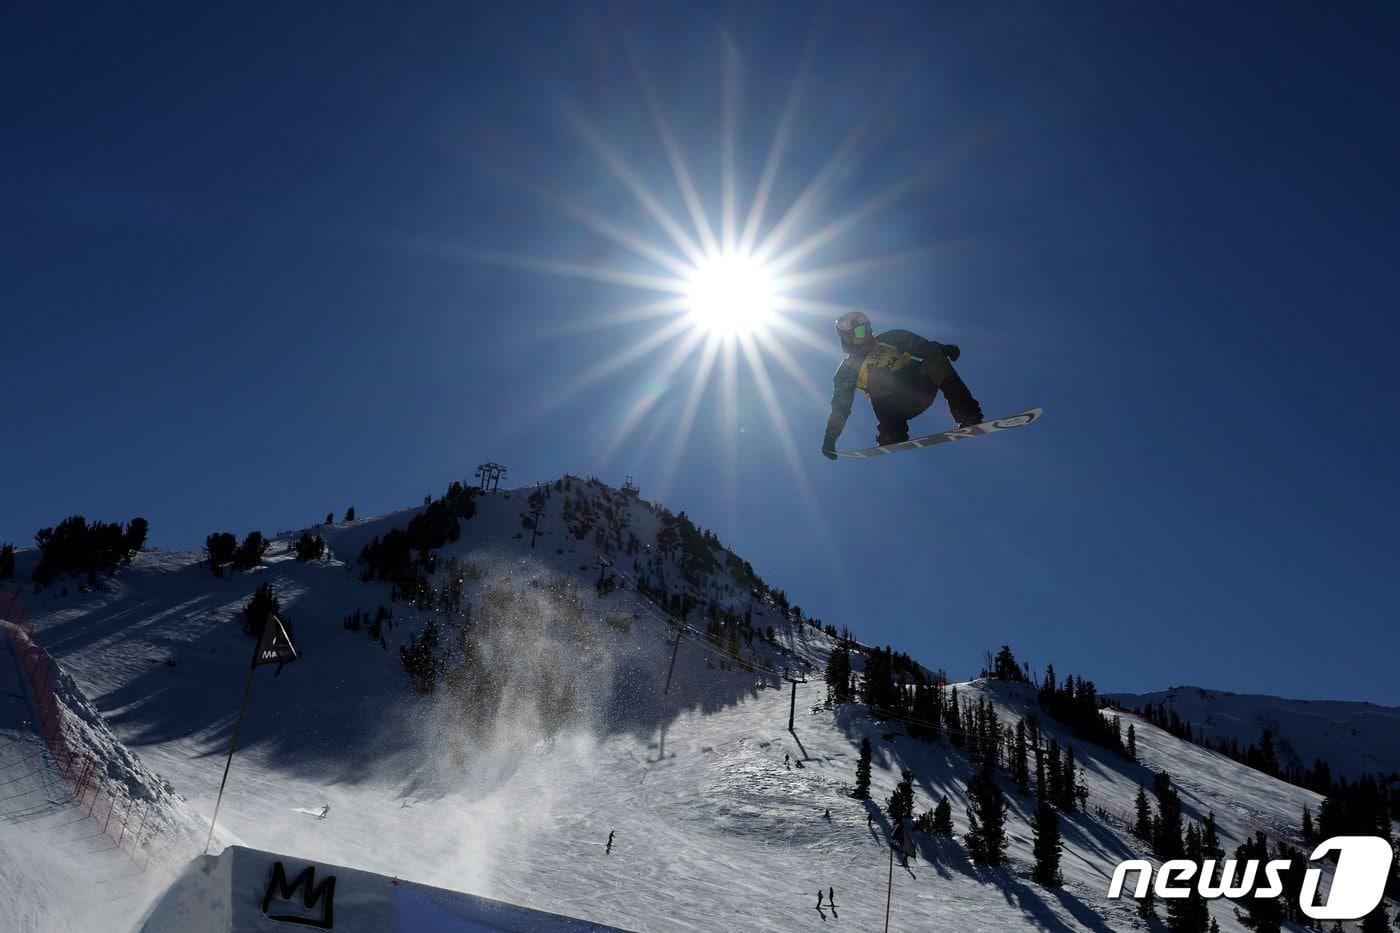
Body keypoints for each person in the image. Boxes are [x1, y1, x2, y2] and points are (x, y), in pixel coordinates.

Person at [821, 311, 983, 458]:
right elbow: (841, 406)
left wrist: (944, 349)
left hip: (919, 386)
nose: (869, 333)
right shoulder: (847, 370)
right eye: (861, 331)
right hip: (895, 403)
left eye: (868, 327)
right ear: (848, 338)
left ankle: (968, 414)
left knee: (935, 362)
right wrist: (831, 436)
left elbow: (923, 347)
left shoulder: (891, 338)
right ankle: (892, 432)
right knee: (877, 375)